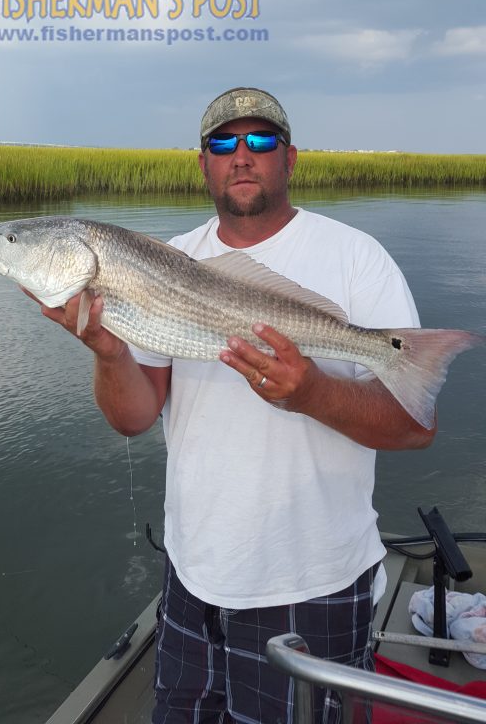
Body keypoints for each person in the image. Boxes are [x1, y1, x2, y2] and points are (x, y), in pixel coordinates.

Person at [39, 87, 435, 724]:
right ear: (203, 163)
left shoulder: (358, 259)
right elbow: (134, 417)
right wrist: (110, 354)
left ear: (291, 157)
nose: (241, 155)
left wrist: (312, 392)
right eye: (223, 142)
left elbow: (417, 429)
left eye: (260, 141)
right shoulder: (165, 260)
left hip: (316, 582)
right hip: (193, 577)